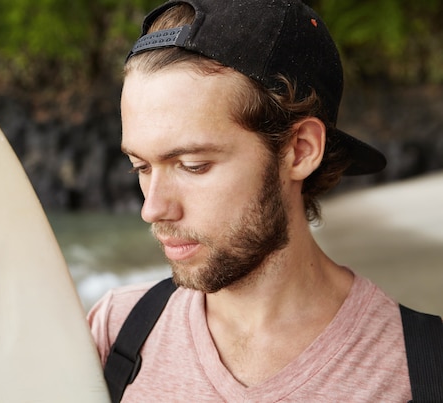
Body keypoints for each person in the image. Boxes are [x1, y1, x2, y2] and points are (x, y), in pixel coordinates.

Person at [87, 0, 441, 401]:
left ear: (300, 150)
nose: (152, 208)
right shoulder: (115, 333)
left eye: (193, 165)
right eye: (141, 167)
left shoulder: (419, 370)